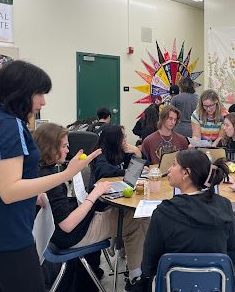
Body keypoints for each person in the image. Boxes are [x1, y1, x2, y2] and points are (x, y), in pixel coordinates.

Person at [0, 60, 101, 292]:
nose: (43, 101)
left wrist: (33, 194)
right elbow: (10, 191)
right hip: (6, 236)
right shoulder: (8, 125)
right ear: (20, 91)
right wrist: (67, 174)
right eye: (39, 93)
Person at [34, 123, 149, 291]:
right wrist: (94, 195)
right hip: (72, 236)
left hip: (63, 233)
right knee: (135, 219)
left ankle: (136, 271)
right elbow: (67, 225)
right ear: (51, 147)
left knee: (129, 215)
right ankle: (136, 278)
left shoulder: (40, 172)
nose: (67, 150)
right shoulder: (51, 181)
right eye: (65, 146)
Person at [141, 150, 235, 283]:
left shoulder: (164, 212)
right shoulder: (224, 205)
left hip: (174, 285)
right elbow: (234, 256)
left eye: (173, 164)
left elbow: (148, 266)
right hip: (215, 284)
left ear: (186, 173)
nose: (169, 169)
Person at [89, 125, 145, 190]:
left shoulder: (121, 150)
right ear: (114, 139)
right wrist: (127, 171)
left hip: (116, 187)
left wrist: (138, 153)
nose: (125, 140)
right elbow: (105, 170)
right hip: (99, 193)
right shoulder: (99, 153)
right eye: (123, 137)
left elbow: (145, 166)